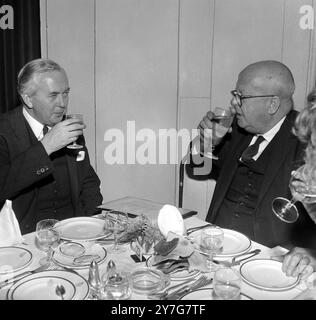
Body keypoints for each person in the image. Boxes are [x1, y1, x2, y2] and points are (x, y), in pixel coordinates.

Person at [191, 60, 316, 249]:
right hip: (217, 243)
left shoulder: (305, 140)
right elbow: (197, 169)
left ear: (272, 104)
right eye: (234, 94)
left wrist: (308, 253)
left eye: (241, 96)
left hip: (269, 256)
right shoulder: (234, 129)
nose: (233, 103)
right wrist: (206, 143)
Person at [0, 58, 103, 234]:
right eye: (53, 95)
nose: (62, 103)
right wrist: (45, 147)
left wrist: (93, 221)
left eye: (66, 93)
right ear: (28, 99)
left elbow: (87, 180)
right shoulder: (4, 131)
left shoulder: (69, 126)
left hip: (74, 231)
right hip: (25, 239)